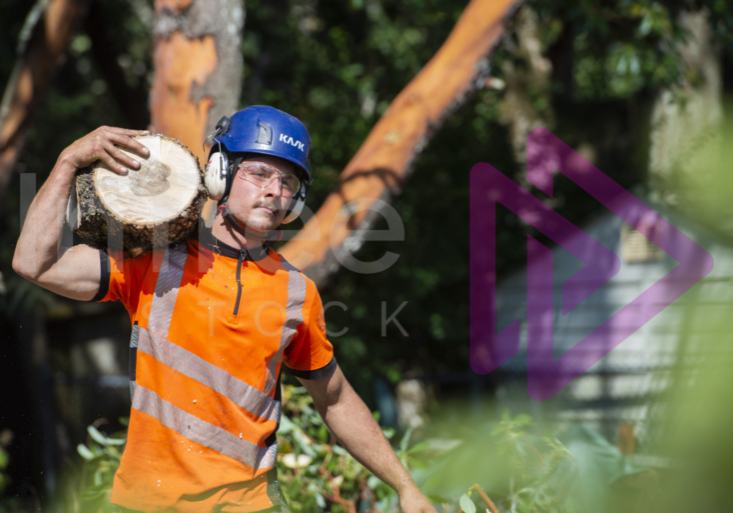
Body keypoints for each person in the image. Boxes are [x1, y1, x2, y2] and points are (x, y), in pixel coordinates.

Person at [13, 106, 437, 513]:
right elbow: (35, 263)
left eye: (288, 182)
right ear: (220, 173)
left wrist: (406, 487)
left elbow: (337, 400)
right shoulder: (151, 262)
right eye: (259, 173)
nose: (274, 190)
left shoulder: (296, 291)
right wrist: (68, 162)